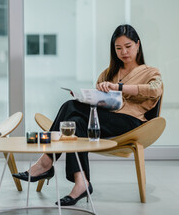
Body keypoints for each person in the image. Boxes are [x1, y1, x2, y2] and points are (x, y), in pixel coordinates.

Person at [12, 24, 163, 206]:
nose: (124, 52)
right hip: (104, 120)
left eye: (128, 46)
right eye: (118, 48)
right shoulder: (108, 73)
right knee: (75, 122)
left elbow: (156, 90)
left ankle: (45, 162)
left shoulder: (150, 72)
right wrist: (92, 96)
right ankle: (81, 182)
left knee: (70, 106)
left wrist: (119, 88)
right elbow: (97, 102)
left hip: (132, 123)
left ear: (138, 45)